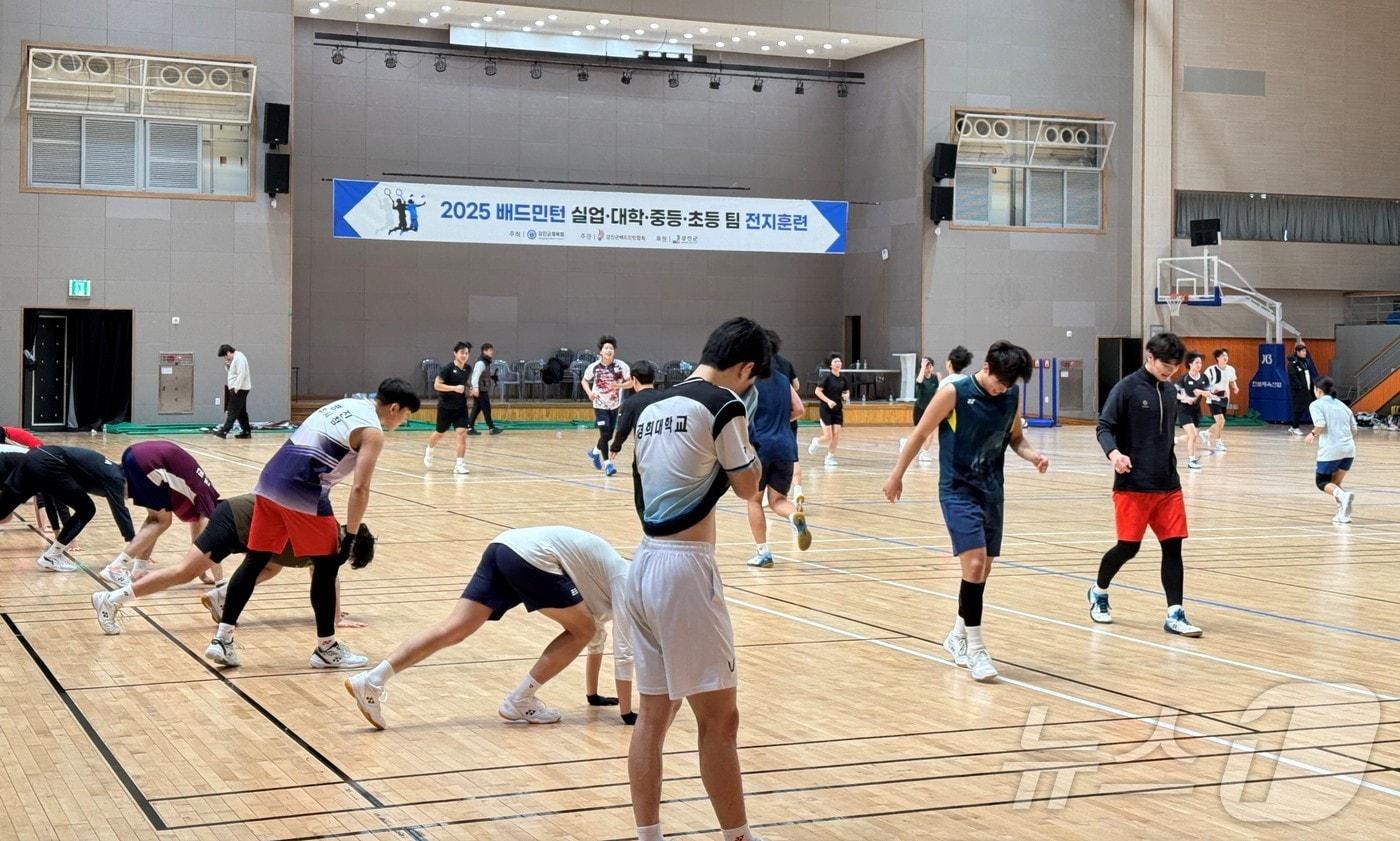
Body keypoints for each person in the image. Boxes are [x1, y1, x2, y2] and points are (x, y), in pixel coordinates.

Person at [625, 317, 769, 841]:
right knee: (720, 721)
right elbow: (748, 487)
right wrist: (749, 444)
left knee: (653, 716)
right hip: (685, 572)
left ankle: (649, 836)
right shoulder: (724, 404)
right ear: (746, 368)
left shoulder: (651, 406)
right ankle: (739, 837)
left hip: (642, 566)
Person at [204, 379, 418, 669]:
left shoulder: (348, 404)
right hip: (303, 489)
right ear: (394, 408)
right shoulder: (373, 432)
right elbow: (360, 488)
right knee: (327, 566)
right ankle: (326, 648)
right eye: (405, 415)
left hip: (269, 480)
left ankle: (222, 639)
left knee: (255, 560)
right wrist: (350, 535)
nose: (403, 422)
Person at [344, 526, 634, 729]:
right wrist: (627, 713)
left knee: (454, 628)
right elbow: (623, 649)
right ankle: (520, 699)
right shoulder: (627, 583)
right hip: (534, 556)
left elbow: (599, 636)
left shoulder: (612, 580)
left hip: (504, 546)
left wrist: (593, 696)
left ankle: (372, 680)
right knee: (582, 630)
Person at [883, 340, 1048, 682]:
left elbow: (1015, 438)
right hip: (958, 490)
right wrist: (897, 474)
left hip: (992, 491)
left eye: (1009, 384)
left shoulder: (1010, 397)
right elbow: (920, 434)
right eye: (999, 382)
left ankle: (957, 635)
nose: (1002, 389)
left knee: (982, 569)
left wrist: (1033, 456)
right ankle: (976, 649)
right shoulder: (954, 393)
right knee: (973, 563)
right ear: (986, 367)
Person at [90, 493, 361, 635]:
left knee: (272, 566)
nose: (342, 562)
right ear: (348, 547)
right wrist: (335, 619)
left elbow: (323, 577)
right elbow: (328, 579)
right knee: (184, 572)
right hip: (234, 521)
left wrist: (334, 614)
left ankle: (220, 596)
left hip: (247, 528)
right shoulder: (327, 536)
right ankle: (110, 599)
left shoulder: (328, 531)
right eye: (348, 558)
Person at [1089, 332, 1203, 638]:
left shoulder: (1169, 390)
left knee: (1173, 547)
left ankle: (1175, 613)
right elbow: (1104, 427)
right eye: (1166, 365)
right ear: (1149, 357)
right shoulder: (1126, 388)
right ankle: (1099, 591)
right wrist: (1114, 454)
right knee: (1128, 547)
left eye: (1175, 366)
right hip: (1132, 484)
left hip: (1167, 485)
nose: (1170, 371)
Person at [98, 440, 221, 587]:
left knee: (154, 519)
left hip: (134, 453)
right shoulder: (208, 503)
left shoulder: (202, 497)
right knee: (162, 521)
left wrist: (202, 573)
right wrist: (220, 582)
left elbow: (197, 536)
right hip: (148, 462)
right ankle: (115, 567)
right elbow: (208, 544)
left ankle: (139, 570)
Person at [0, 445, 135, 571]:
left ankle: (52, 556)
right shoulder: (116, 478)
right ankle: (51, 556)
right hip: (47, 463)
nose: (131, 496)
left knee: (3, 512)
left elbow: (53, 499)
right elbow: (120, 511)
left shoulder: (105, 471)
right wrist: (134, 542)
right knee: (87, 509)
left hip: (34, 459)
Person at [744, 358, 811, 568]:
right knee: (778, 500)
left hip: (760, 447)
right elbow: (799, 409)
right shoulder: (783, 379)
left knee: (754, 501)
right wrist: (780, 422)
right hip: (785, 446)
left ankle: (763, 553)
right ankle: (793, 515)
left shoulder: (749, 380)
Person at [1304, 377, 1357, 524]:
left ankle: (1344, 496)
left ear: (1317, 390)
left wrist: (1312, 434)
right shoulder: (1343, 406)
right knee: (1335, 483)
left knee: (1321, 482)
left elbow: (1320, 425)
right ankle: (1343, 514)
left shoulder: (1316, 405)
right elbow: (1354, 430)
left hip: (1331, 450)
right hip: (1349, 450)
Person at [582, 335, 631, 477]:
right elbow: (584, 381)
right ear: (601, 352)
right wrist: (590, 393)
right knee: (604, 434)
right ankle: (608, 465)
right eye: (606, 348)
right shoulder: (594, 367)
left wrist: (619, 385)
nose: (609, 350)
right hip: (599, 405)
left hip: (614, 405)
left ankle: (594, 452)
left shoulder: (621, 366)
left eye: (611, 348)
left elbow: (631, 383)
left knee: (608, 436)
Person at [767, 330, 805, 504]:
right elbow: (796, 386)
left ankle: (766, 495)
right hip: (787, 417)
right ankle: (797, 489)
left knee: (765, 459)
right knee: (792, 456)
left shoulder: (758, 368)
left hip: (766, 420)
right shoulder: (786, 364)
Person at [425, 341, 472, 475]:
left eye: (467, 353)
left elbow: (465, 383)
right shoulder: (447, 369)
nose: (464, 355)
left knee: (462, 434)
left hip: (461, 407)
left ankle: (459, 464)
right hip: (445, 407)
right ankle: (429, 450)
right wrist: (454, 388)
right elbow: (437, 385)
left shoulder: (468, 369)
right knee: (439, 433)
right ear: (455, 353)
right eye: (462, 352)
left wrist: (471, 389)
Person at [608, 361, 663, 462]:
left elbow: (623, 429)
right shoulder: (666, 398)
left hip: (643, 454)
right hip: (666, 453)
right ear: (654, 379)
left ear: (634, 380)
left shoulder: (630, 403)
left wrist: (615, 447)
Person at [809, 352, 849, 467]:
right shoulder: (826, 377)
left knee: (836, 435)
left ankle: (830, 457)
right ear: (830, 365)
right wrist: (828, 401)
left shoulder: (843, 378)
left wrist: (846, 396)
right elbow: (817, 391)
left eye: (839, 361)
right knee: (828, 436)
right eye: (835, 361)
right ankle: (816, 441)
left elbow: (846, 391)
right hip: (826, 409)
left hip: (837, 410)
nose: (838, 363)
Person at [900, 355, 940, 464]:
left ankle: (924, 453)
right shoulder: (920, 377)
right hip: (919, 408)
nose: (929, 368)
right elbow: (919, 381)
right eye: (927, 366)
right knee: (919, 434)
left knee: (930, 432)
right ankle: (906, 442)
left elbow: (937, 392)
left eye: (930, 366)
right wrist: (922, 367)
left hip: (930, 409)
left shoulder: (935, 378)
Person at [1177, 352, 1211, 471]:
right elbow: (1175, 393)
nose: (1199, 365)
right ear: (1190, 364)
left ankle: (1176, 439)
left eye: (1200, 363)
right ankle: (1192, 461)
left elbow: (1208, 393)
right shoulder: (1184, 378)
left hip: (1196, 410)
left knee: (1193, 435)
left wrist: (1202, 392)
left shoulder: (1204, 378)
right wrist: (1185, 398)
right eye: (1197, 362)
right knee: (1192, 435)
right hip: (1184, 409)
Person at [1201, 348, 1238, 452]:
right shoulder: (1210, 370)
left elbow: (1232, 381)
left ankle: (1206, 433)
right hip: (1213, 398)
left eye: (1226, 356)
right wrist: (1212, 390)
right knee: (1220, 420)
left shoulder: (1230, 369)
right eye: (1223, 356)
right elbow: (1204, 384)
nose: (1225, 357)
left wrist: (1235, 388)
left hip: (1224, 399)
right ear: (1217, 358)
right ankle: (1218, 442)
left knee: (1221, 422)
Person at [215, 345, 253, 439]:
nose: (225, 358)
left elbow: (241, 373)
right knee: (241, 412)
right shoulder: (235, 358)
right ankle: (246, 432)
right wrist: (228, 365)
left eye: (225, 356)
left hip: (239, 389)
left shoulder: (239, 358)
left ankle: (224, 431)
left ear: (228, 352)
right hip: (239, 388)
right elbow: (232, 372)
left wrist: (237, 387)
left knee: (232, 410)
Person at [467, 342, 502, 435]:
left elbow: (484, 374)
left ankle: (469, 428)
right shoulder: (481, 363)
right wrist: (475, 388)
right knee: (486, 408)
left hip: (481, 389)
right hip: (480, 390)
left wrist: (492, 376)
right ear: (484, 351)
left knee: (476, 408)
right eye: (490, 350)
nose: (492, 352)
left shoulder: (485, 362)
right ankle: (491, 428)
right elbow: (475, 377)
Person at [1287, 343, 1319, 436]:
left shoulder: (1305, 362)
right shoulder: (1292, 364)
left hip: (1308, 390)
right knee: (1298, 409)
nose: (1305, 353)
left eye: (1305, 351)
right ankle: (1294, 427)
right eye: (1303, 351)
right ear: (1297, 352)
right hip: (1299, 391)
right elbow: (1293, 377)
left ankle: (1318, 427)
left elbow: (1308, 376)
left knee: (1313, 407)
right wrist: (1300, 386)